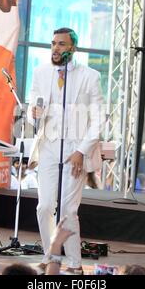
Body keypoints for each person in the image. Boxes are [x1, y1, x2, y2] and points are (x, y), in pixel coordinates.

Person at [27, 27, 104, 274]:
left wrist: (82, 150)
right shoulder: (40, 72)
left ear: (72, 48)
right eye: (53, 44)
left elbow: (99, 119)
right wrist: (33, 114)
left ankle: (74, 264)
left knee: (69, 209)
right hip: (49, 146)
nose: (55, 48)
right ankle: (51, 255)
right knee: (45, 206)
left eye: (61, 44)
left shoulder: (89, 76)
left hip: (75, 150)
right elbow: (32, 108)